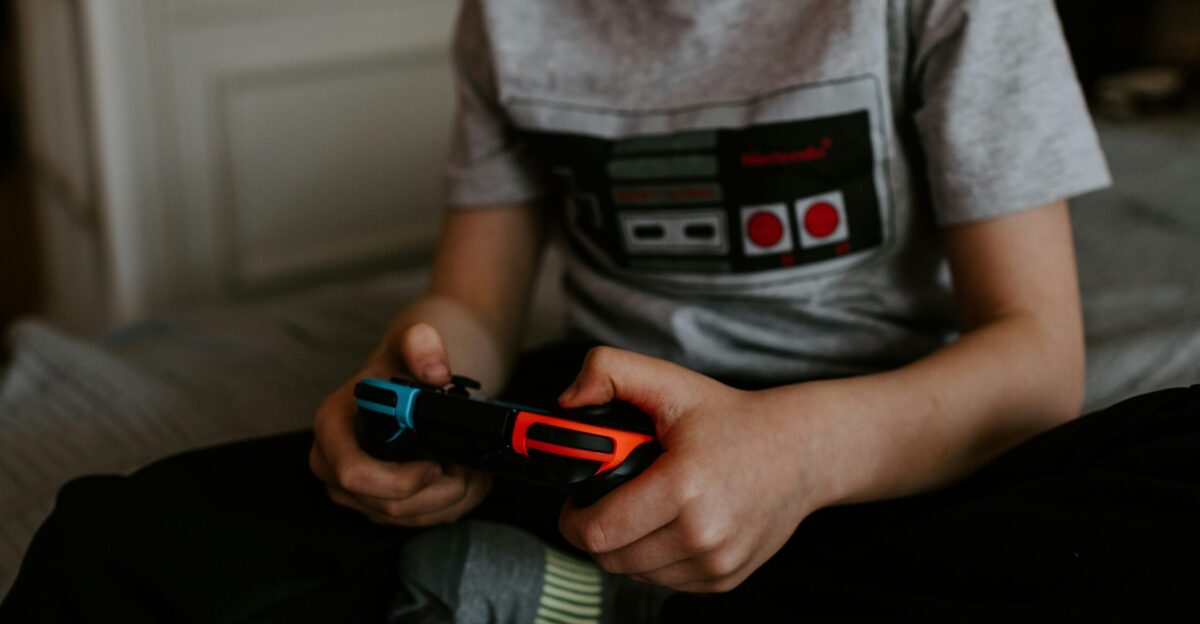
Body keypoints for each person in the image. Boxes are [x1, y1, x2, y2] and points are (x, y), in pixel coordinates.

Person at [14, 0, 1199, 621]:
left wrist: (795, 455)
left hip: (876, 448)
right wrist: (413, 388)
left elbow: (1036, 362)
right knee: (107, 541)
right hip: (592, 440)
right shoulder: (511, 13)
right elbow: (472, 301)